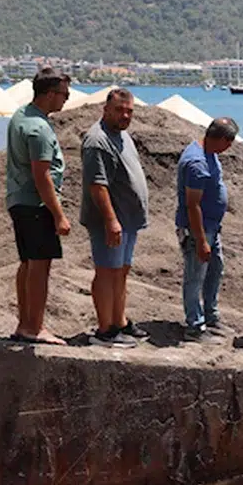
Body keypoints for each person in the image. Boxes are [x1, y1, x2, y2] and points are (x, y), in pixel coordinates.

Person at [5, 67, 71, 345]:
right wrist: (59, 215)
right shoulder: (39, 128)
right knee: (40, 266)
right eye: (64, 94)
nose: (66, 99)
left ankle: (25, 323)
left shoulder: (22, 115)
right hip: (35, 203)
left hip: (19, 199)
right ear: (49, 94)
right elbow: (42, 176)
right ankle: (35, 326)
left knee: (27, 263)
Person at [81, 88, 149, 348]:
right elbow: (97, 185)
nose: (125, 115)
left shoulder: (123, 135)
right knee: (107, 272)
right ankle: (104, 330)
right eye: (119, 110)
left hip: (128, 219)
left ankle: (119, 321)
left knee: (121, 271)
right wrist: (111, 220)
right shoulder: (97, 140)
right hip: (110, 220)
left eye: (129, 111)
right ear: (105, 109)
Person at [176, 117, 239, 343]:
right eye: (228, 142)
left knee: (215, 269)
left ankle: (210, 317)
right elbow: (192, 205)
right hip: (199, 230)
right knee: (195, 275)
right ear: (220, 139)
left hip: (213, 226)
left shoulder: (209, 153)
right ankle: (194, 325)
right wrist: (201, 240)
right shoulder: (197, 163)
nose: (229, 148)